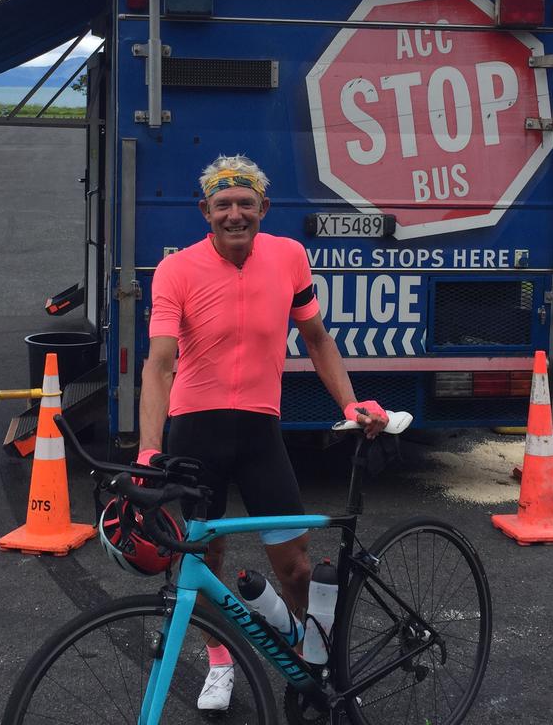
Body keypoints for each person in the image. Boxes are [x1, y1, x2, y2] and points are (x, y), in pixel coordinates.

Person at [137, 153, 387, 712]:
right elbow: (159, 363)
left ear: (264, 208)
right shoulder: (176, 271)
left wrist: (351, 403)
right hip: (194, 431)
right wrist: (149, 448)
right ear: (205, 211)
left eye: (245, 203)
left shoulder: (289, 256)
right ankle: (220, 662)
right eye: (223, 204)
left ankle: (312, 662)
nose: (235, 214)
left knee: (295, 567)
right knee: (205, 560)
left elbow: (317, 338)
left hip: (259, 430)